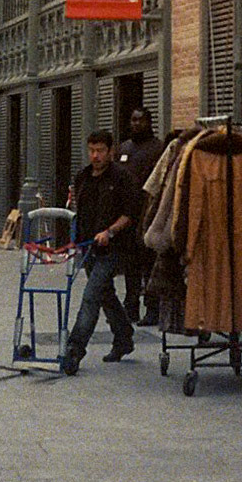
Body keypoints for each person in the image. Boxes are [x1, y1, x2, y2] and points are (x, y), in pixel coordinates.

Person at [61, 130, 138, 375]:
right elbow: (77, 210)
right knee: (105, 294)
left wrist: (110, 232)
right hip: (88, 247)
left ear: (110, 151)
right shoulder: (82, 177)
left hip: (113, 248)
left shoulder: (122, 177)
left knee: (91, 295)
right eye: (92, 150)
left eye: (100, 151)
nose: (95, 156)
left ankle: (74, 349)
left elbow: (129, 214)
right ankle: (124, 337)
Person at [117, 108, 164, 325]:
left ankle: (152, 309)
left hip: (149, 214)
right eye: (133, 120)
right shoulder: (124, 148)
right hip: (128, 215)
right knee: (130, 266)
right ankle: (131, 307)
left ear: (149, 122)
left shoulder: (158, 148)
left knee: (149, 264)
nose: (136, 124)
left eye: (141, 120)